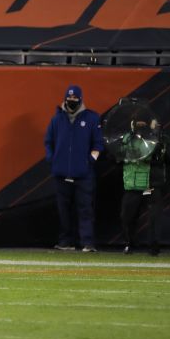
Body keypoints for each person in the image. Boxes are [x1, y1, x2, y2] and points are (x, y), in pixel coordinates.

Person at [44, 84, 104, 253]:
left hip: (83, 174)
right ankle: (65, 241)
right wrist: (52, 159)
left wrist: (90, 161)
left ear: (80, 100)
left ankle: (87, 242)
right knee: (63, 210)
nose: (71, 102)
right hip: (61, 173)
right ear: (65, 99)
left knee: (85, 209)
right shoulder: (56, 120)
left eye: (74, 99)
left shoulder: (92, 118)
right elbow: (48, 142)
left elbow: (98, 144)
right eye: (69, 99)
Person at [118, 115, 170, 256]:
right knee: (127, 216)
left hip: (152, 183)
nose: (141, 125)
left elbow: (169, 159)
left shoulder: (161, 139)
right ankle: (129, 243)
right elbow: (116, 156)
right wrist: (127, 154)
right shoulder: (127, 139)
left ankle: (154, 248)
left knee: (154, 218)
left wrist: (161, 147)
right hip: (133, 184)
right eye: (138, 123)